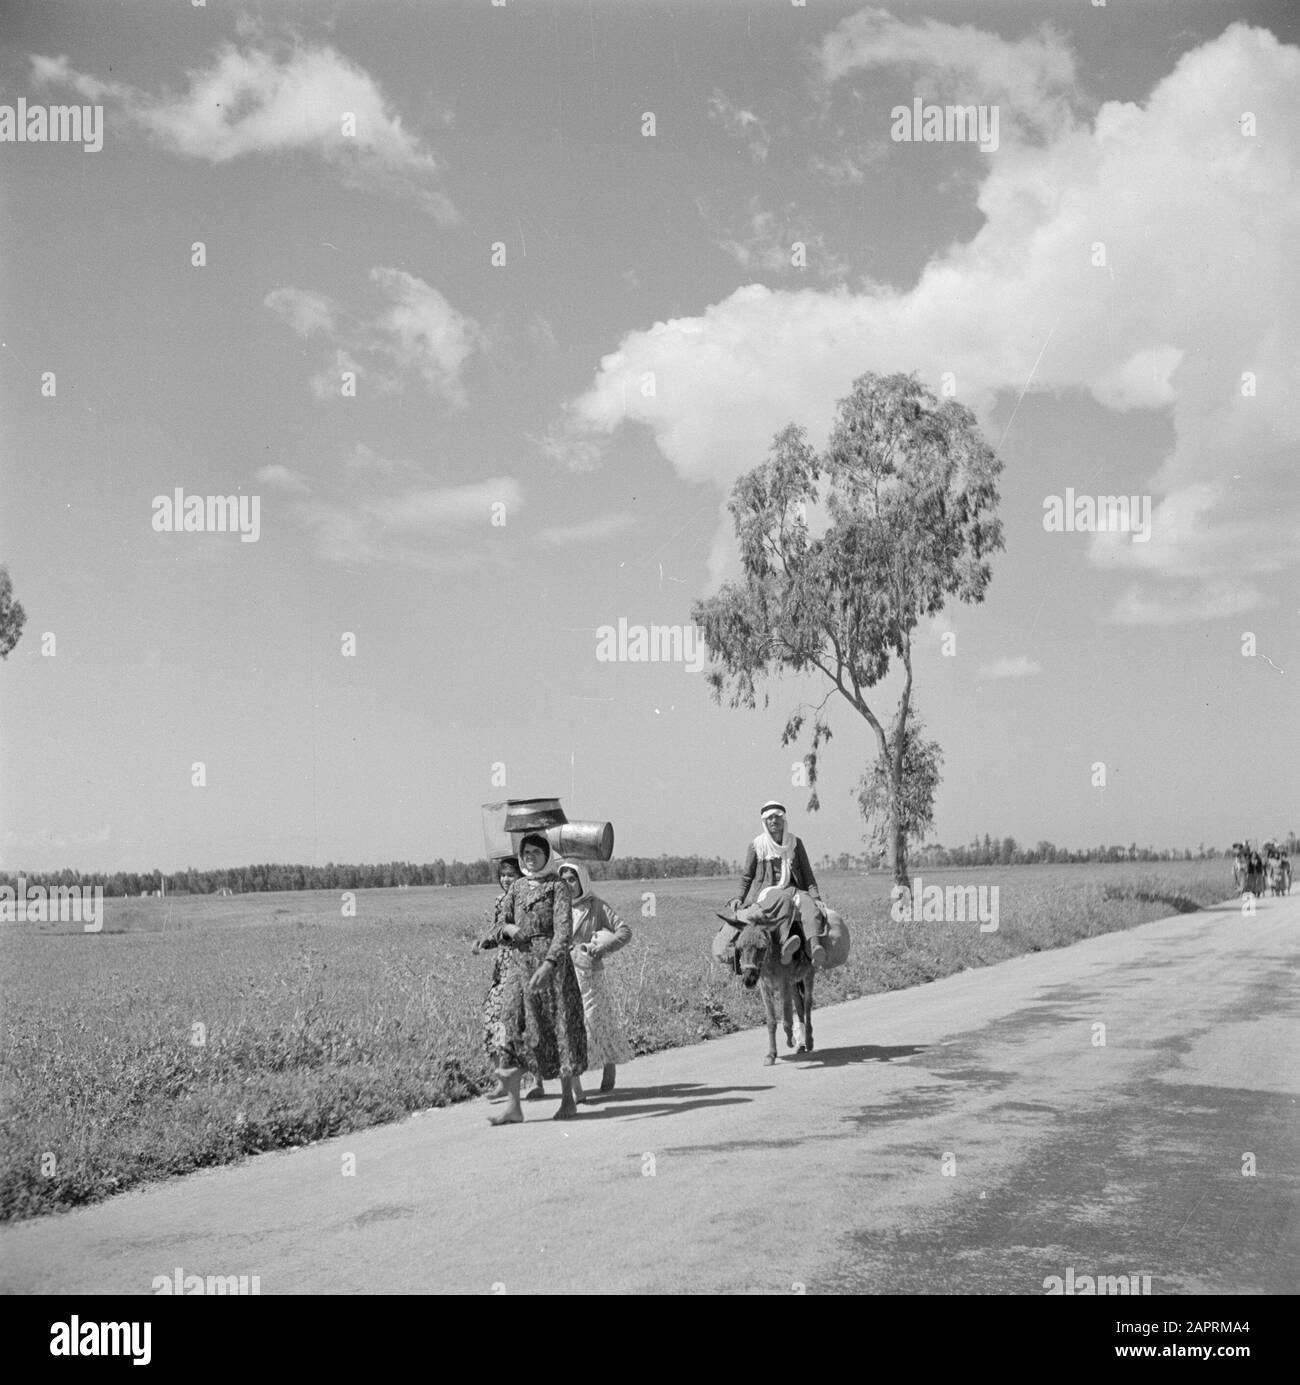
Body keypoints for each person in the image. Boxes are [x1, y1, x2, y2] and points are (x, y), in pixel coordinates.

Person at [488, 833, 588, 1124]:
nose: (530, 856)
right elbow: (499, 923)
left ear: (547, 855)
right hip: (521, 967)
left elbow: (564, 930)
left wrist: (549, 963)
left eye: (535, 851)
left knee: (560, 1027)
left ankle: (568, 1100)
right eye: (526, 852)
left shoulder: (558, 887)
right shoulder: (517, 887)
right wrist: (507, 930)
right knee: (513, 1024)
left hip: (553, 970)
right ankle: (513, 1106)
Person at [558, 860, 632, 1101]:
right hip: (564, 973)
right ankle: (577, 1087)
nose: (568, 885)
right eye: (564, 880)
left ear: (582, 881)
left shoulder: (597, 906)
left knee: (595, 1021)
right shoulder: (557, 908)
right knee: (569, 1025)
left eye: (572, 879)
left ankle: (609, 1063)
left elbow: (624, 931)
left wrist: (602, 948)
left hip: (590, 974)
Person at [718, 800, 826, 966]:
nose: (774, 821)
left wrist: (816, 897)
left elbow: (807, 874)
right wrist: (739, 897)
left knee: (808, 903)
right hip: (768, 892)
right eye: (770, 818)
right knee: (783, 898)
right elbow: (747, 876)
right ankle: (785, 945)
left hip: (793, 888)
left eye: (777, 817)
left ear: (783, 820)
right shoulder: (757, 845)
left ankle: (814, 946)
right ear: (765, 821)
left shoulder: (795, 843)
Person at [473, 856, 522, 1100]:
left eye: (511, 874)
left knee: (520, 1025)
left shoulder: (526, 899)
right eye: (502, 875)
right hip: (501, 970)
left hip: (521, 966)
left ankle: (536, 1081)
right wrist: (483, 941)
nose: (505, 879)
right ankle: (501, 1080)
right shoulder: (499, 901)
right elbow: (497, 933)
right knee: (492, 1023)